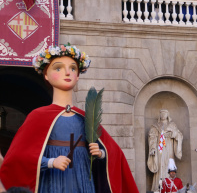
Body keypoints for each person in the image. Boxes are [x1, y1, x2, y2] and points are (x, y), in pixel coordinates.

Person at [0, 44, 139, 193]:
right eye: (58, 68)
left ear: (78, 75)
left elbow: (114, 153)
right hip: (53, 179)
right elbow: (20, 158)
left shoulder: (85, 117)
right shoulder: (38, 116)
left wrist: (101, 152)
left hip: (82, 176)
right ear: (46, 75)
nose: (67, 73)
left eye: (73, 68)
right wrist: (51, 161)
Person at [147, 109, 183, 192]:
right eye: (162, 113)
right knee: (160, 165)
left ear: (168, 115)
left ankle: (169, 183)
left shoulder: (172, 125)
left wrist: (172, 134)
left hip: (169, 146)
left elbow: (179, 135)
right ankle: (158, 186)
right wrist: (152, 148)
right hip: (160, 147)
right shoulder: (156, 125)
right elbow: (152, 137)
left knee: (169, 163)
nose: (163, 115)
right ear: (160, 115)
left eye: (165, 113)